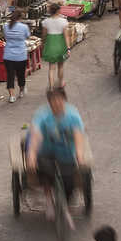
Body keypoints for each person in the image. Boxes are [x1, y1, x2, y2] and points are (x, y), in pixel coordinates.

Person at [26, 88, 86, 219]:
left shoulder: (73, 116)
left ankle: (67, 205)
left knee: (70, 181)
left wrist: (80, 155)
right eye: (53, 101)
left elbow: (78, 136)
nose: (57, 104)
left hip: (66, 152)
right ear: (49, 103)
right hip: (45, 151)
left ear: (65, 100)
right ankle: (49, 201)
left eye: (59, 100)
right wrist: (31, 155)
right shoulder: (42, 115)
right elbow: (36, 136)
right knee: (46, 174)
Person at [41, 2, 72, 90]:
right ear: (58, 11)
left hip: (50, 45)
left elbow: (44, 36)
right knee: (61, 66)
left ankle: (51, 87)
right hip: (60, 46)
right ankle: (61, 83)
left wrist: (43, 44)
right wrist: (68, 48)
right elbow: (66, 36)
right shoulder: (63, 21)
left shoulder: (45, 22)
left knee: (51, 68)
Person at [2, 8, 31, 104]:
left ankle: (12, 96)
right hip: (21, 55)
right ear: (20, 18)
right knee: (20, 75)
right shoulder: (24, 27)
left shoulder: (6, 26)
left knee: (10, 76)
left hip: (8, 55)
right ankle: (21, 91)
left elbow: (5, 37)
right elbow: (27, 36)